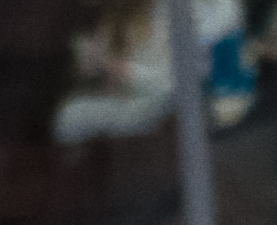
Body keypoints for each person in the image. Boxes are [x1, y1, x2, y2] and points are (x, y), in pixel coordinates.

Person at [53, 0, 252, 145]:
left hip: (151, 102)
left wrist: (118, 67)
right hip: (115, 73)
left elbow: (227, 106)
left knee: (70, 115)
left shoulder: (220, 17)